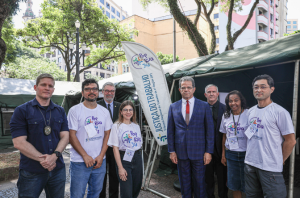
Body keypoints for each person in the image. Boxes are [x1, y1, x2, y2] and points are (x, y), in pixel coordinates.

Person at [10, 73, 69, 198]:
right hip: (31, 170)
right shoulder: (21, 111)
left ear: (53, 90)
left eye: (50, 86)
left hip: (57, 169)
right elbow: (19, 142)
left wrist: (55, 156)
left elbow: (65, 136)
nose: (47, 88)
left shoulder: (60, 111)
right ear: (35, 87)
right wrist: (44, 160)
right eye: (43, 85)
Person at [244, 74, 296, 198]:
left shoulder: (280, 112)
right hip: (250, 164)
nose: (259, 90)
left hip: (270, 167)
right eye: (256, 87)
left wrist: (280, 159)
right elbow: (250, 134)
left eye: (263, 87)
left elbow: (291, 141)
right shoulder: (250, 111)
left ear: (271, 89)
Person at [167, 76, 214, 198]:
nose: (186, 90)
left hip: (199, 153)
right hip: (181, 152)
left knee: (199, 183)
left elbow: (209, 131)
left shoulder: (204, 106)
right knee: (184, 183)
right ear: (179, 89)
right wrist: (171, 151)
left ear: (194, 89)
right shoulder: (173, 107)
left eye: (188, 87)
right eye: (183, 88)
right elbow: (170, 131)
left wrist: (208, 151)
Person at [68, 79, 112, 198]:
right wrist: (85, 155)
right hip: (79, 162)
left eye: (94, 89)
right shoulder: (74, 110)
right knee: (77, 195)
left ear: (98, 92)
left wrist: (101, 155)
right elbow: (71, 136)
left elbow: (108, 134)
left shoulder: (104, 112)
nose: (91, 91)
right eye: (87, 89)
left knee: (95, 194)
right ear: (82, 92)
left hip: (99, 162)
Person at [107, 100, 143, 198]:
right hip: (124, 159)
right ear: (121, 112)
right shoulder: (116, 126)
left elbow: (139, 144)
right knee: (126, 192)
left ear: (133, 112)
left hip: (137, 157)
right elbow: (115, 148)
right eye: (125, 110)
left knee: (136, 188)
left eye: (130, 110)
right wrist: (120, 168)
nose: (128, 112)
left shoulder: (136, 126)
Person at [220, 90, 249, 198]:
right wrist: (223, 155)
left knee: (250, 184)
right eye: (230, 101)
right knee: (234, 184)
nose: (233, 103)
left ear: (241, 101)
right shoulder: (226, 116)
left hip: (247, 154)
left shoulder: (249, 113)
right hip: (231, 154)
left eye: (236, 100)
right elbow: (224, 136)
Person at [204, 84, 228, 198]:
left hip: (221, 149)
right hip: (205, 150)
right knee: (207, 177)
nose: (211, 94)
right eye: (209, 92)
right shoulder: (200, 108)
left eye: (214, 92)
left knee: (222, 177)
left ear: (218, 94)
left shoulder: (226, 108)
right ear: (205, 94)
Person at [97, 82, 121, 198]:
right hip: (100, 147)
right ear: (102, 92)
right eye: (107, 91)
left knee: (114, 175)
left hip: (115, 147)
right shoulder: (96, 106)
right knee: (100, 175)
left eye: (112, 91)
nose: (109, 93)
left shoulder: (120, 106)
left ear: (114, 92)